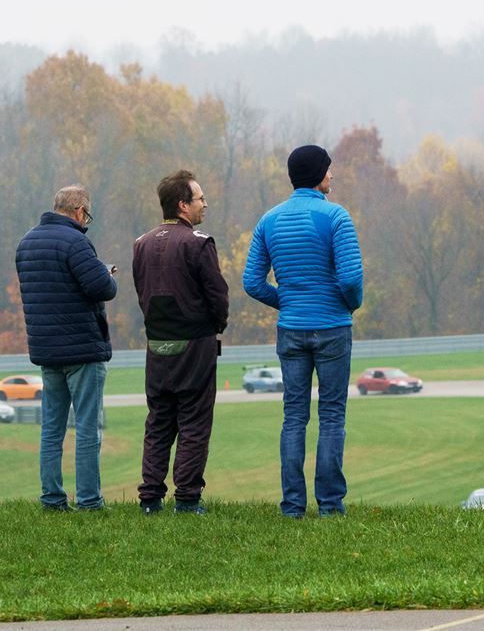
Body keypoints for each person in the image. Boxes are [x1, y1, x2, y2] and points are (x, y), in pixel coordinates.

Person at [243, 145, 364, 518]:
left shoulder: (269, 220)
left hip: (291, 331)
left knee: (293, 416)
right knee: (331, 416)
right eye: (329, 169)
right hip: (332, 328)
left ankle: (292, 505)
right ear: (318, 175)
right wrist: (350, 304)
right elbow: (351, 278)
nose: (333, 174)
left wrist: (289, 302)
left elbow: (252, 282)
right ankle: (330, 505)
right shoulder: (336, 217)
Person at [16, 184, 117, 511]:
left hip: (47, 350)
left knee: (52, 429)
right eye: (86, 214)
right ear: (78, 210)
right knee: (88, 429)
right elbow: (102, 288)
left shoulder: (26, 243)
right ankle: (89, 501)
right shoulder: (76, 242)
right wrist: (106, 273)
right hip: (82, 350)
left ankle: (52, 498)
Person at [133, 170, 229, 515]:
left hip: (156, 346)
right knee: (194, 421)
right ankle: (187, 498)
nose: (205, 203)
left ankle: (150, 499)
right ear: (183, 205)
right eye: (200, 198)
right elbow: (218, 296)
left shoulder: (141, 244)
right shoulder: (198, 243)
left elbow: (142, 294)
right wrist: (214, 327)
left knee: (158, 421)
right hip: (195, 346)